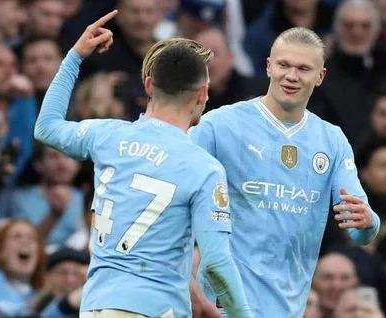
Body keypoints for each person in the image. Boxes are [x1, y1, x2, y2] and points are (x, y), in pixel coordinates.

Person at [34, 9, 251, 318]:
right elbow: (216, 263)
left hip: (95, 306)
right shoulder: (204, 168)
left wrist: (74, 57)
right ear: (203, 93)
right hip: (153, 310)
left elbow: (46, 127)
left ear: (148, 86)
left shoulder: (107, 135)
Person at [189, 26, 381, 317]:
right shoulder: (219, 125)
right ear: (268, 66)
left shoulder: (331, 140)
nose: (291, 76)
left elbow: (359, 230)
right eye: (284, 65)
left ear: (320, 76)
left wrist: (368, 222)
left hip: (287, 307)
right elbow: (173, 183)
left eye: (303, 68)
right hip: (221, 305)